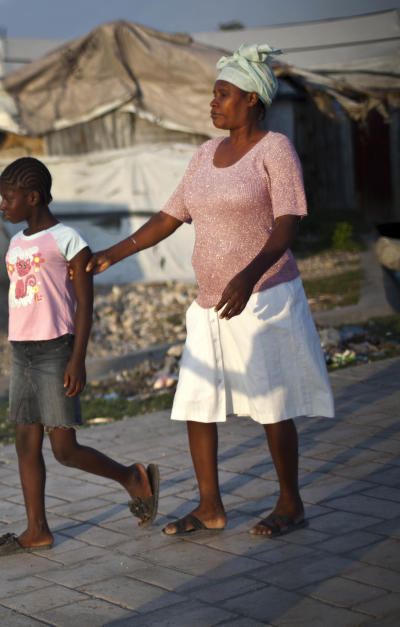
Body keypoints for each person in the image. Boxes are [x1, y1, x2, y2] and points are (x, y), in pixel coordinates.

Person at [86, 44, 335, 538]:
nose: (213, 102)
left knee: (271, 403)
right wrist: (113, 253)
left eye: (223, 94)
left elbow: (286, 227)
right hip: (209, 303)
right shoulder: (204, 154)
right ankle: (210, 507)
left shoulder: (275, 149)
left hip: (263, 297)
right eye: (214, 94)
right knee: (197, 403)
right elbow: (168, 217)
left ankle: (290, 503)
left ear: (251, 100)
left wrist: (248, 274)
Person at [0, 157, 160, 557]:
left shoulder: (69, 240)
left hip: (55, 351)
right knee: (25, 444)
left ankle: (132, 478)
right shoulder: (16, 243)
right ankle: (37, 530)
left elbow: (84, 304)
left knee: (64, 449)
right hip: (22, 352)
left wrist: (77, 358)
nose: (3, 206)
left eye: (8, 199)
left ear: (32, 198)